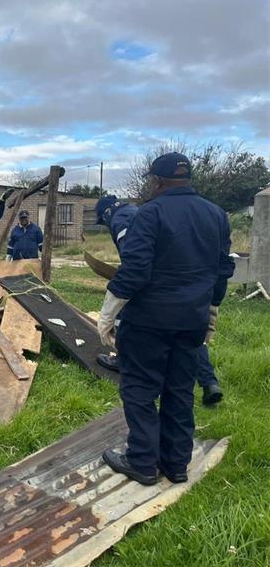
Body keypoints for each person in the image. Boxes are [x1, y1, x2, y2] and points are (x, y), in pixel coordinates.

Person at [98, 153, 234, 486]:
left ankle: (142, 461)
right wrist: (211, 310)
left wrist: (107, 314)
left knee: (140, 390)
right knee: (180, 390)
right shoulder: (216, 215)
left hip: (148, 323)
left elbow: (135, 269)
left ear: (157, 182)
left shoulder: (150, 213)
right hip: (192, 321)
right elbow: (222, 269)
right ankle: (176, 464)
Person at [94, 195, 225, 406]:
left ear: (107, 212)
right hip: (184, 289)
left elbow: (134, 259)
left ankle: (122, 360)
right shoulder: (137, 211)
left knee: (124, 316)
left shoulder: (120, 219)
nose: (104, 224)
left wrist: (124, 286)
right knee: (189, 333)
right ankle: (209, 382)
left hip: (150, 285)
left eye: (102, 220)